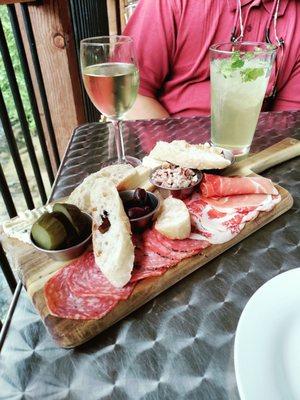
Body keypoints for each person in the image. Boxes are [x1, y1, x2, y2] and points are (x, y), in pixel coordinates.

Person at [123, 0, 300, 120]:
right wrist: (179, 161)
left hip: (253, 156)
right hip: (168, 151)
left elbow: (283, 124)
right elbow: (131, 94)